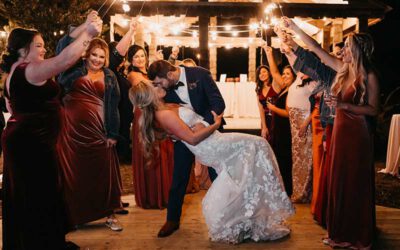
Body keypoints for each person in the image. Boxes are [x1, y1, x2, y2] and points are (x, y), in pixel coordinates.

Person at [130, 81, 295, 243]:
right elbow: (193, 139)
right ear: (150, 96)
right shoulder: (164, 114)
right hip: (212, 145)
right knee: (259, 145)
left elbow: (179, 132)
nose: (159, 86)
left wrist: (178, 134)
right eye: (154, 86)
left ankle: (251, 218)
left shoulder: (165, 108)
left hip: (214, 141)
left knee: (254, 154)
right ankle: (256, 214)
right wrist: (215, 124)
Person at [0, 14, 101, 249]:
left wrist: (85, 26)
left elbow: (11, 107)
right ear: (23, 50)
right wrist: (89, 34)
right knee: (39, 193)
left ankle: (39, 242)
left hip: (27, 141)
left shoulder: (15, 72)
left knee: (34, 192)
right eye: (38, 46)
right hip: (31, 144)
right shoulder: (29, 70)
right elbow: (64, 59)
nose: (44, 49)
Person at [282, 16, 379, 249]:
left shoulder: (369, 76)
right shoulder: (342, 69)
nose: (342, 50)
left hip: (358, 133)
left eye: (347, 47)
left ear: (356, 50)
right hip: (339, 132)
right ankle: (340, 234)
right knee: (339, 181)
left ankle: (358, 236)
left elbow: (374, 109)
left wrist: (345, 106)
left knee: (354, 181)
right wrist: (294, 28)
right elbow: (315, 48)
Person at [56, 13, 123, 231]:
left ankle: (110, 215)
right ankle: (75, 216)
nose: (97, 59)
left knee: (104, 174)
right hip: (71, 134)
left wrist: (113, 134)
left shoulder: (110, 76)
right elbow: (62, 46)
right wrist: (85, 27)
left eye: (101, 57)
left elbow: (113, 107)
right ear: (86, 55)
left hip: (98, 133)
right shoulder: (72, 71)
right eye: (94, 54)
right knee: (74, 175)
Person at [147, 60, 225, 237]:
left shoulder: (200, 74)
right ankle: (172, 220)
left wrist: (203, 124)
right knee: (179, 178)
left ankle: (226, 217)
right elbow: (161, 114)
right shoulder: (164, 88)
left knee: (218, 176)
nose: (158, 87)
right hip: (183, 138)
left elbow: (218, 103)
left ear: (170, 75)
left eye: (159, 82)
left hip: (210, 132)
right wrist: (171, 132)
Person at [126, 45, 174, 209]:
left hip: (157, 111)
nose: (140, 59)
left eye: (142, 56)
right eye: (136, 57)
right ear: (131, 60)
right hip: (144, 114)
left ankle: (163, 192)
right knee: (149, 151)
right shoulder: (133, 75)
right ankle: (151, 196)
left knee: (161, 150)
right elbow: (150, 87)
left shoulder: (150, 73)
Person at [264, 45, 295, 197]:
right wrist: (269, 54)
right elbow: (274, 72)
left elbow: (289, 113)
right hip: (279, 128)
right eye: (284, 74)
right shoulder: (285, 87)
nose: (284, 76)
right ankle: (281, 187)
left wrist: (272, 108)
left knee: (284, 158)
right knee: (278, 157)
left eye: (288, 74)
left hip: (286, 129)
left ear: (294, 76)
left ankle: (287, 190)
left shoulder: (293, 90)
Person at [255, 65, 280, 142]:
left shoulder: (275, 86)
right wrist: (264, 126)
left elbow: (275, 72)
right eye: (259, 73)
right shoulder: (259, 90)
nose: (262, 74)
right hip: (266, 119)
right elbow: (261, 109)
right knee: (266, 141)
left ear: (269, 73)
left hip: (276, 118)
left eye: (264, 71)